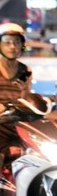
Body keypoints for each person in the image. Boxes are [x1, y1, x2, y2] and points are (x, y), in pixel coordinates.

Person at [0, 23, 32, 170]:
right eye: (7, 42)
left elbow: (26, 100)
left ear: (22, 46)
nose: (12, 46)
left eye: (17, 42)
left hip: (17, 126)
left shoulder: (25, 71)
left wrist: (25, 92)